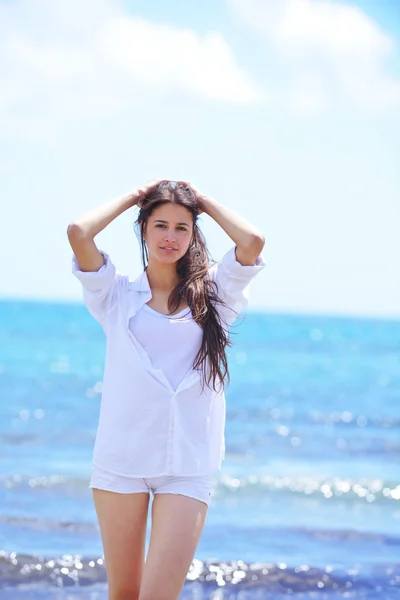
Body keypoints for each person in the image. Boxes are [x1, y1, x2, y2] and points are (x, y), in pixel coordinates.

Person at [67, 179, 265, 600]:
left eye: (181, 227)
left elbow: (252, 242)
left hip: (188, 465)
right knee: (123, 593)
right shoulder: (115, 294)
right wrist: (132, 196)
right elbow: (78, 233)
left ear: (194, 234)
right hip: (122, 461)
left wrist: (204, 202)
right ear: (143, 229)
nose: (170, 237)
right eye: (160, 225)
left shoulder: (215, 295)